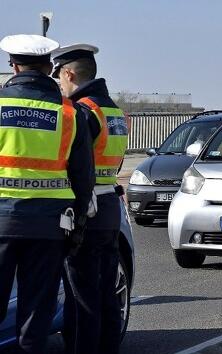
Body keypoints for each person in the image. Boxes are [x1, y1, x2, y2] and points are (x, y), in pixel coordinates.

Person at [0, 34, 93, 353]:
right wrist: (78, 226)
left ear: (13, 66)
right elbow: (84, 179)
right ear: (49, 67)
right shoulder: (71, 115)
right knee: (36, 316)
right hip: (49, 228)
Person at [53, 43, 128, 354]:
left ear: (70, 73)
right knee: (107, 294)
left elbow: (74, 163)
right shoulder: (113, 111)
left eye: (58, 77)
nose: (58, 83)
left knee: (81, 297)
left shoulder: (84, 112)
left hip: (88, 209)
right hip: (110, 205)